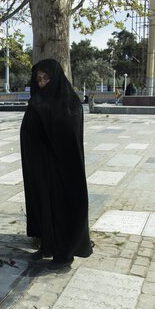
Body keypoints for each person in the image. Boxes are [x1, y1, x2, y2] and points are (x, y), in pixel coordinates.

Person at [20, 58, 93, 270]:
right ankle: (47, 245)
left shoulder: (67, 101)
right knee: (44, 206)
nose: (42, 83)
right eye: (39, 79)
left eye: (46, 78)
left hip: (61, 169)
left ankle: (64, 254)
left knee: (60, 209)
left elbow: (65, 134)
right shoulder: (39, 99)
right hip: (41, 168)